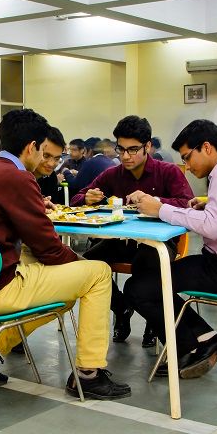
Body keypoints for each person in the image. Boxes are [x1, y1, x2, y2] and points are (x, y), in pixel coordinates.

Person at [0, 109, 130, 400]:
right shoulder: (18, 178)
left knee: (67, 293)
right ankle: (89, 374)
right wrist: (80, 261)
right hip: (0, 290)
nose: (46, 160)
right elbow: (49, 250)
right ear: (33, 146)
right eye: (44, 152)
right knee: (97, 273)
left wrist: (33, 205)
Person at [124, 119, 217, 379]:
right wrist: (207, 205)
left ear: (206, 147)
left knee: (139, 288)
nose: (187, 166)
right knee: (149, 281)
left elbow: (213, 227)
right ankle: (204, 338)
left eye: (187, 158)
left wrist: (160, 209)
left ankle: (195, 343)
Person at [71, 116, 194, 347]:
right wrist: (86, 198)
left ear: (148, 146)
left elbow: (188, 204)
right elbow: (78, 197)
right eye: (121, 149)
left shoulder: (168, 172)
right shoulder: (113, 175)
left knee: (146, 267)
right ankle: (122, 308)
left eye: (133, 149)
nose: (126, 156)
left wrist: (156, 201)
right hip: (122, 240)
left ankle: (153, 324)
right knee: (85, 265)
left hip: (159, 242)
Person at [34, 127, 66, 201]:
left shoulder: (51, 177)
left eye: (57, 158)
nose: (51, 164)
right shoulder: (20, 176)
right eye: (46, 156)